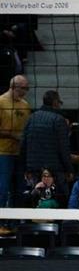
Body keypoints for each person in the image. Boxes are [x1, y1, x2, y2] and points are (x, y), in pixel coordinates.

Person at [0, 75, 32, 205]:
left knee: (19, 189)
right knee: (3, 188)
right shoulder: (1, 102)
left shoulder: (25, 105)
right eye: (23, 88)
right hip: (3, 153)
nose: (25, 92)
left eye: (27, 88)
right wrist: (13, 135)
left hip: (20, 153)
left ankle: (16, 217)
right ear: (13, 87)